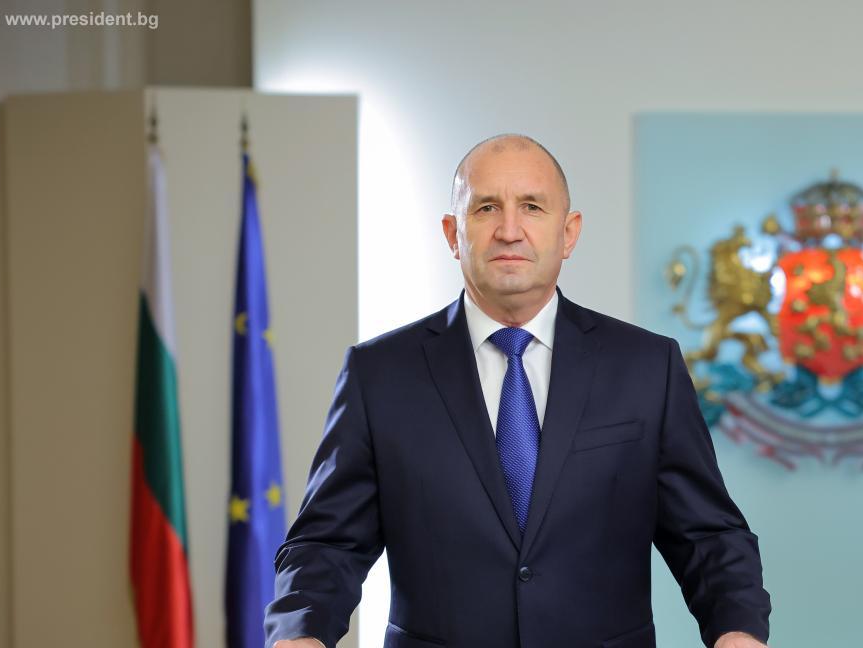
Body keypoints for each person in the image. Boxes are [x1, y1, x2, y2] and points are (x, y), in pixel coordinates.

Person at [265, 134, 772, 648]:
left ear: (568, 233)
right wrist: (301, 631)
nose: (509, 231)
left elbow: (707, 536)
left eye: (532, 206)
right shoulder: (379, 374)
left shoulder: (647, 367)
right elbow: (327, 543)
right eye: (486, 208)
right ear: (453, 234)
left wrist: (737, 629)